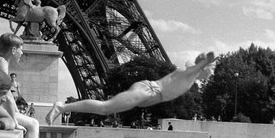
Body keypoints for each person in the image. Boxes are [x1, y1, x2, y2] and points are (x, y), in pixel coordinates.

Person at [46, 52, 216, 125]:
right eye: (213, 68)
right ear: (204, 66)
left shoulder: (191, 78)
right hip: (148, 90)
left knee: (106, 109)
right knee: (105, 107)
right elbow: (197, 67)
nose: (213, 71)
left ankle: (63, 107)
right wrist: (207, 60)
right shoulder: (188, 73)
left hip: (149, 95)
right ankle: (62, 107)